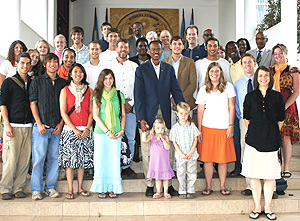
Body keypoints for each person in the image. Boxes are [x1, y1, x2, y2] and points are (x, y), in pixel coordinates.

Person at [134, 40, 185, 197]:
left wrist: (183, 110)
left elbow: (176, 91)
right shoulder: (141, 70)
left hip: (165, 116)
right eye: (153, 49)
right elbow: (138, 95)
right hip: (148, 116)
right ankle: (150, 184)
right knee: (148, 151)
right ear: (148, 51)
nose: (156, 52)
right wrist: (141, 117)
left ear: (163, 51)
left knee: (166, 150)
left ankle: (167, 184)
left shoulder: (168, 69)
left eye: (159, 49)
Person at [241, 66, 285, 220]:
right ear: (256, 78)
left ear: (270, 78)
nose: (263, 78)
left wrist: (270, 131)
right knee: (254, 175)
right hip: (253, 141)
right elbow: (246, 118)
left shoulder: (277, 96)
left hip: (272, 141)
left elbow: (281, 118)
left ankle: (268, 208)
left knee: (270, 176)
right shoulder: (250, 96)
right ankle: (257, 207)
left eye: (266, 75)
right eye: (260, 75)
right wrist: (256, 131)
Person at [29, 53, 66, 200]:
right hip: (41, 128)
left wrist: (61, 124)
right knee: (38, 159)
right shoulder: (37, 82)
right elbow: (33, 103)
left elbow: (66, 107)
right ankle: (36, 189)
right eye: (50, 62)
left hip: (57, 128)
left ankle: (50, 187)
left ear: (59, 64)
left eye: (55, 62)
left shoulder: (63, 83)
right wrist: (38, 123)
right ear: (44, 64)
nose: (53, 64)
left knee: (54, 159)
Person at [197, 62, 236, 196]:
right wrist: (199, 130)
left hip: (223, 127)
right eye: (212, 71)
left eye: (217, 71)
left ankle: (223, 186)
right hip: (207, 127)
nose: (214, 74)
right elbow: (200, 111)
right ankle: (208, 186)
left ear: (221, 73)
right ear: (208, 73)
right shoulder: (203, 89)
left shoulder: (228, 87)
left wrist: (231, 126)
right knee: (208, 159)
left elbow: (232, 107)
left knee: (222, 159)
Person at [0, 52, 33, 200]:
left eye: (27, 63)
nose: (25, 66)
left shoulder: (32, 82)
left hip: (28, 126)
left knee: (24, 160)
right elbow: (3, 104)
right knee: (10, 159)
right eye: (22, 63)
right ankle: (5, 188)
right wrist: (6, 124)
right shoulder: (9, 82)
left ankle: (19, 188)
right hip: (12, 125)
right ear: (16, 64)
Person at [59, 63, 94, 199]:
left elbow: (91, 111)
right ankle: (70, 190)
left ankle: (80, 188)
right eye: (75, 71)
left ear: (83, 74)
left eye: (80, 72)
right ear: (70, 74)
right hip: (69, 130)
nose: (78, 74)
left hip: (85, 129)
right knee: (70, 162)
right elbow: (63, 112)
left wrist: (87, 128)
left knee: (82, 162)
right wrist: (74, 129)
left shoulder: (89, 91)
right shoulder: (65, 90)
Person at [90, 69, 125, 198]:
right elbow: (95, 115)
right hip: (101, 133)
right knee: (101, 160)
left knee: (113, 160)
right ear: (101, 80)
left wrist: (122, 129)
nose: (108, 81)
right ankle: (102, 188)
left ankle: (112, 188)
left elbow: (123, 114)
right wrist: (106, 131)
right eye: (105, 78)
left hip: (116, 132)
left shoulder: (119, 94)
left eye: (110, 78)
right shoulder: (97, 94)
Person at [105, 39, 138, 177]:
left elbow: (139, 87)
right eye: (121, 47)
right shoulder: (109, 65)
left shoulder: (135, 66)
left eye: (125, 47)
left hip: (131, 106)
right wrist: (121, 104)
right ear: (116, 49)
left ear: (129, 49)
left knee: (130, 137)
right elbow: (107, 86)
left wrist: (132, 103)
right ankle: (114, 164)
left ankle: (127, 165)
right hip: (114, 106)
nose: (123, 49)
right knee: (114, 136)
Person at [270, 44, 300, 178]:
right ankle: (276, 166)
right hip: (272, 107)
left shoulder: (293, 70)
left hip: (288, 106)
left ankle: (286, 167)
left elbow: (296, 91)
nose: (278, 56)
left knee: (286, 137)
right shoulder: (270, 71)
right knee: (275, 136)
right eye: (275, 54)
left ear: (286, 54)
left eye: (280, 53)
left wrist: (285, 106)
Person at [162, 35, 197, 125]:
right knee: (171, 132)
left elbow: (193, 84)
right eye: (174, 44)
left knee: (186, 132)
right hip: (169, 103)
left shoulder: (190, 62)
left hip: (186, 103)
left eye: (179, 44)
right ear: (170, 46)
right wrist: (171, 98)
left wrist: (179, 101)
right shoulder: (163, 63)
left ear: (183, 46)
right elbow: (162, 84)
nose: (177, 46)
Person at [169, 102, 200, 199]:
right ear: (177, 113)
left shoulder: (192, 126)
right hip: (180, 155)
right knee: (181, 172)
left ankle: (190, 189)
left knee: (192, 172)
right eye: (181, 113)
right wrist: (181, 153)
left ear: (189, 114)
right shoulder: (175, 128)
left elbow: (195, 139)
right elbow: (174, 142)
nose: (183, 116)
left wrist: (191, 151)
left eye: (186, 114)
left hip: (191, 154)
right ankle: (182, 190)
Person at [141, 117, 174, 199]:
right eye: (158, 128)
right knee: (157, 177)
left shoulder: (166, 137)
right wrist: (144, 132)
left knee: (165, 177)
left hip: (164, 161)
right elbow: (144, 140)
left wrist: (163, 139)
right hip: (156, 162)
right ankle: (158, 191)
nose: (160, 130)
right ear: (154, 129)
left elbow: (167, 147)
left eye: (162, 128)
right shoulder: (152, 136)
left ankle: (166, 191)